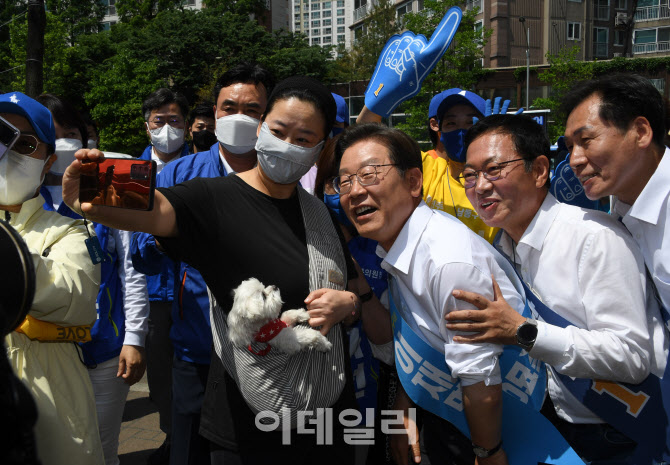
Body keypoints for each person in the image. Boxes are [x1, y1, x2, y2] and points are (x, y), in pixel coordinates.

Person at [63, 76, 391, 465]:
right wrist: (87, 190)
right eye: (279, 131)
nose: (288, 145)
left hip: (324, 411)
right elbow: (153, 209)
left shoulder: (320, 215)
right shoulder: (213, 199)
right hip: (246, 416)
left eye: (304, 139)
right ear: (262, 127)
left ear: (321, 148)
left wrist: (348, 303)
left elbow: (353, 292)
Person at [444, 114, 667, 463]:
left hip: (618, 434)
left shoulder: (593, 238)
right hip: (553, 427)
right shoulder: (499, 250)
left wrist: (523, 332)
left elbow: (631, 357)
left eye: (494, 169)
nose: (480, 186)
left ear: (539, 170)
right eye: (469, 175)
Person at [335, 123, 531, 465]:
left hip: (500, 431)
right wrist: (405, 408)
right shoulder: (399, 247)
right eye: (345, 181)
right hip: (448, 419)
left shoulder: (447, 262)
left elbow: (480, 379)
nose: (354, 191)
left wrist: (488, 454)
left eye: (368, 175)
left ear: (413, 182)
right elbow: (423, 342)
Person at [131, 61, 275, 465]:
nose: (239, 118)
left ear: (267, 117)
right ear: (214, 114)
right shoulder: (179, 175)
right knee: (189, 451)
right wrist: (174, 235)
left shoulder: (281, 178)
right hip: (195, 351)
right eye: (229, 108)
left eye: (252, 110)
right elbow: (140, 253)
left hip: (261, 352)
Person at [36, 93, 150, 465]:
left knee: (102, 450)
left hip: (105, 351)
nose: (62, 142)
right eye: (50, 134)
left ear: (85, 138)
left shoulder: (107, 183)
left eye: (70, 132)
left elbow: (131, 270)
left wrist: (134, 338)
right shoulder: (18, 194)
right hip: (42, 352)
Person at [0, 91, 104, 464]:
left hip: (50, 381)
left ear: (47, 163)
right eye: (1, 136)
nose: (9, 150)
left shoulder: (75, 230)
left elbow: (74, 294)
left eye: (24, 143)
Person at [561, 73, 670, 318]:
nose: (574, 160)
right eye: (569, 146)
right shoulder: (615, 205)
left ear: (640, 132)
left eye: (586, 140)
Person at [358, 89, 499, 243]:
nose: (461, 132)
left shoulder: (500, 177)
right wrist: (384, 90)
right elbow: (367, 132)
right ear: (439, 129)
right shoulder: (426, 167)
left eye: (471, 123)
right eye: (451, 123)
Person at [135, 87, 192, 463]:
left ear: (187, 127)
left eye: (175, 120)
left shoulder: (203, 167)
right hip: (153, 292)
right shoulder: (132, 172)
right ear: (147, 127)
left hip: (194, 294)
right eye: (160, 121)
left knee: (195, 372)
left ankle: (191, 438)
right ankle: (172, 436)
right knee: (159, 376)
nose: (168, 128)